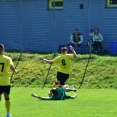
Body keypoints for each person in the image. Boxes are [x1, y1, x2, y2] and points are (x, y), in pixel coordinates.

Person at [0, 44, 17, 117]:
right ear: (3, 50)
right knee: (7, 97)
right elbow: (11, 67)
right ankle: (8, 113)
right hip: (6, 81)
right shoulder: (7, 58)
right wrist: (15, 71)